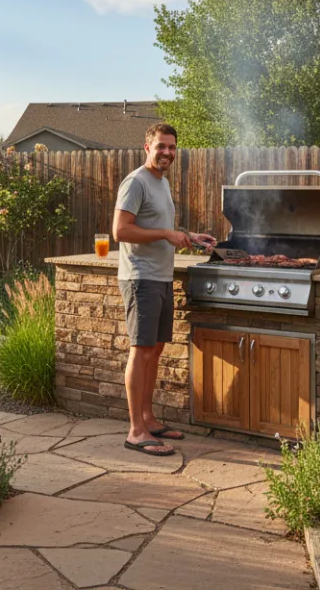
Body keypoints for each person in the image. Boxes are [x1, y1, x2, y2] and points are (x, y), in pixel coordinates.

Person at [112, 122, 216, 456]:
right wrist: (165, 235)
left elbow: (158, 228)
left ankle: (149, 418)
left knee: (155, 349)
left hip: (160, 276)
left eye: (172, 147)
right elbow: (121, 231)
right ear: (147, 147)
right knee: (141, 350)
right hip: (140, 277)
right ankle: (135, 431)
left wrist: (189, 236)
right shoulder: (136, 182)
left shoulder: (162, 182)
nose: (167, 153)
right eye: (161, 146)